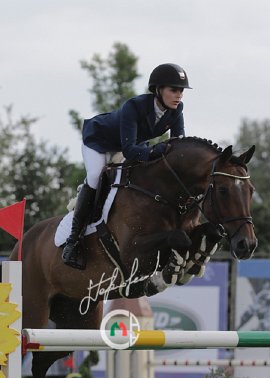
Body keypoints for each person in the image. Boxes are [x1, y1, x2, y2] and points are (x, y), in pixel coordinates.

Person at [62, 62, 192, 270]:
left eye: (181, 91)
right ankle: (73, 241)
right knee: (95, 175)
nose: (179, 96)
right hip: (99, 141)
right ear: (158, 90)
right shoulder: (135, 106)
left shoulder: (176, 110)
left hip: (128, 146)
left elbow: (177, 143)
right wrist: (155, 151)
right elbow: (130, 150)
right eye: (174, 90)